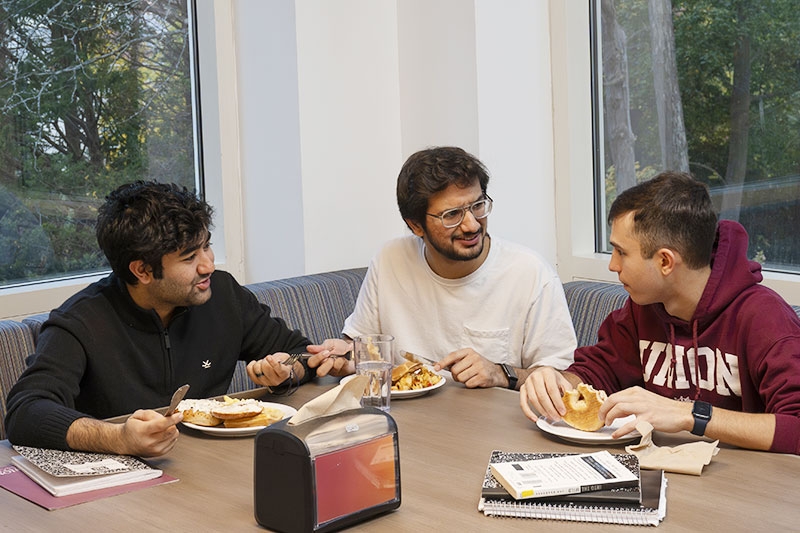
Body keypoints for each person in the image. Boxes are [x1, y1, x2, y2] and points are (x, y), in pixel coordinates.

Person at [5, 181, 349, 457]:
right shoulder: (82, 321)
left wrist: (288, 370)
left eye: (207, 246)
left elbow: (299, 351)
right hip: (125, 490)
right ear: (142, 270)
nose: (208, 265)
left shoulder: (223, 295)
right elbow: (26, 411)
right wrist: (117, 438)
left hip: (214, 469)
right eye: (189, 257)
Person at [520, 171, 800, 455]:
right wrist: (556, 382)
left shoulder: (765, 319)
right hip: (661, 473)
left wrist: (691, 415)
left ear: (665, 261)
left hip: (744, 488)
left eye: (621, 252)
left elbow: (796, 427)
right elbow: (597, 372)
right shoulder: (643, 307)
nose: (612, 265)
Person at [310, 146, 577, 389]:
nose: (472, 224)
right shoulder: (391, 259)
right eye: (452, 215)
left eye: (478, 205)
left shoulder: (530, 274)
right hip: (409, 422)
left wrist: (500, 373)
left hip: (492, 429)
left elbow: (564, 380)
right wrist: (346, 356)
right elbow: (364, 348)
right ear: (415, 225)